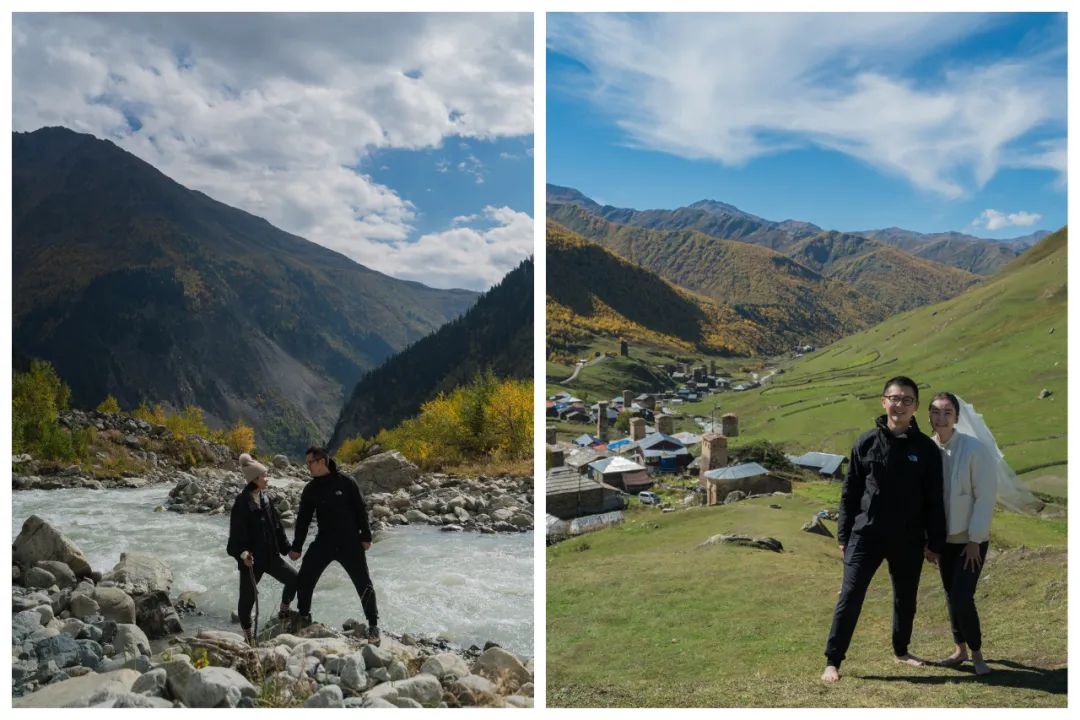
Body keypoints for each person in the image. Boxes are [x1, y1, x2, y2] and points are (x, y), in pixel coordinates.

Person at [821, 376, 947, 683]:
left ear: (915, 406)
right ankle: (832, 661)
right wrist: (843, 536)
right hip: (866, 535)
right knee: (850, 595)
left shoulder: (926, 450)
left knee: (906, 598)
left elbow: (934, 499)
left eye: (907, 400)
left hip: (909, 537)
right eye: (894, 398)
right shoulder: (865, 443)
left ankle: (902, 651)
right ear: (883, 402)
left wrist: (935, 542)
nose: (899, 405)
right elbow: (850, 494)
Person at [925, 392, 997, 675]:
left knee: (962, 597)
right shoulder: (928, 449)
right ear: (928, 416)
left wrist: (975, 540)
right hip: (944, 541)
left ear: (956, 417)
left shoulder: (974, 449)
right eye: (935, 412)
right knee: (949, 594)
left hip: (970, 540)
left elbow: (985, 497)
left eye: (947, 412)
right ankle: (960, 650)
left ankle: (978, 655)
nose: (941, 418)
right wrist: (930, 542)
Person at [289, 446, 380, 644]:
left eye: (309, 463)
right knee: (305, 577)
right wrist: (297, 547)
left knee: (363, 582)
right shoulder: (311, 489)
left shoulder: (346, 482)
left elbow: (360, 510)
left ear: (321, 461)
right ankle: (304, 616)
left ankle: (373, 625)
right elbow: (303, 520)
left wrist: (366, 536)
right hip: (324, 541)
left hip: (350, 542)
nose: (308, 468)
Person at [226, 453, 297, 645]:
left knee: (294, 579)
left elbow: (277, 528)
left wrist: (288, 549)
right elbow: (234, 541)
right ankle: (249, 637)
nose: (268, 478)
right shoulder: (241, 504)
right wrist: (243, 555)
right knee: (247, 601)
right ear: (254, 480)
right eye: (264, 475)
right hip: (252, 562)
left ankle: (284, 610)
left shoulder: (266, 499)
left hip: (271, 557)